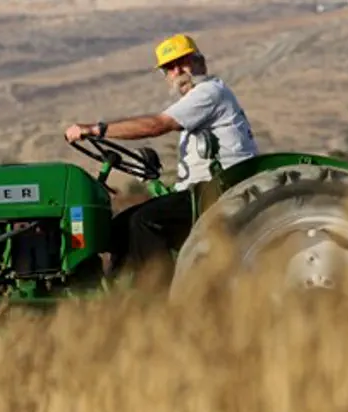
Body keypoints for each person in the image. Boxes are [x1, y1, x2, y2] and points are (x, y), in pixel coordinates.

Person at [64, 33, 260, 287]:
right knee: (121, 225)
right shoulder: (199, 101)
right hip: (202, 189)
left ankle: (159, 298)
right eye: (169, 67)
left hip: (218, 190)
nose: (177, 71)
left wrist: (95, 130)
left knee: (146, 221)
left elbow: (158, 125)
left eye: (183, 62)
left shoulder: (208, 92)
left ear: (200, 61)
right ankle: (115, 295)